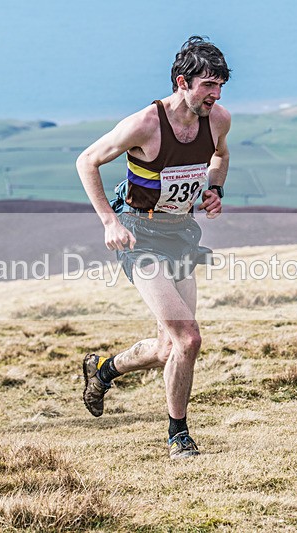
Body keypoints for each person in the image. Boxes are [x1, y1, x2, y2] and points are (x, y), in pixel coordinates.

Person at [76, 36, 231, 459]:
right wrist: (108, 220)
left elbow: (220, 156)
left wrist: (215, 189)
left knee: (168, 348)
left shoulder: (217, 119)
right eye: (207, 86)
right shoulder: (145, 123)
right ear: (183, 82)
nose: (215, 95)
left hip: (180, 233)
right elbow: (87, 160)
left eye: (220, 86)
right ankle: (178, 435)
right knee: (189, 339)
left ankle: (103, 371)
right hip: (138, 234)